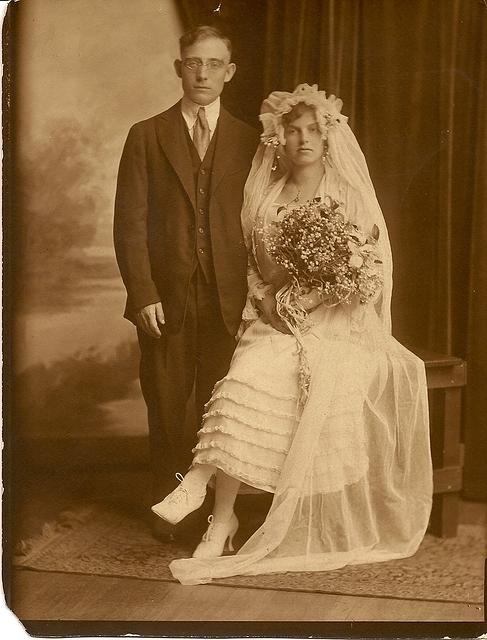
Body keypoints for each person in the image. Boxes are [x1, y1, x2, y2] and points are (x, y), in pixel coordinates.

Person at [152, 83, 433, 584]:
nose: (301, 139)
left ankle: (203, 490)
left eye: (311, 131)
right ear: (277, 138)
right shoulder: (266, 193)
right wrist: (265, 300)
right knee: (245, 376)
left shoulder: (346, 195)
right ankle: (221, 519)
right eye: (291, 130)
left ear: (327, 138)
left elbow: (366, 270)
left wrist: (309, 301)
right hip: (273, 315)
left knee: (268, 370)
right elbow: (251, 263)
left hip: (336, 322)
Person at [113, 26, 259, 542]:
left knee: (225, 410)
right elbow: (129, 222)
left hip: (230, 298)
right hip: (166, 299)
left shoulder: (249, 139)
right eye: (194, 62)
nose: (203, 73)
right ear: (179, 68)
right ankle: (173, 515)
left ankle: (221, 517)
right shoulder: (146, 134)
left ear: (230, 72)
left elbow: (261, 218)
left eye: (214, 64)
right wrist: (143, 293)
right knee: (169, 403)